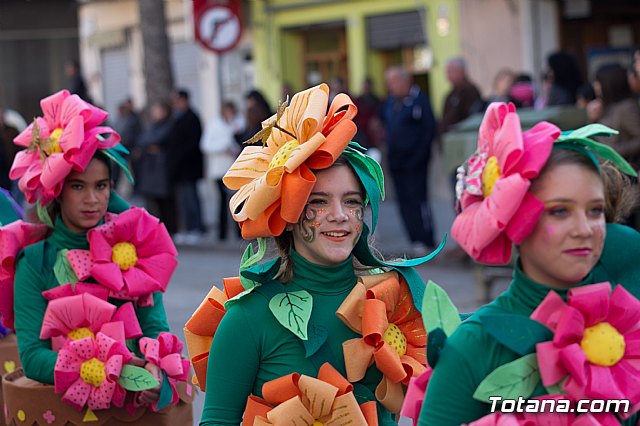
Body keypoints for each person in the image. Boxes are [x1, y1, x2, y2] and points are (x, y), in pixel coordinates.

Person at [188, 83, 440, 425]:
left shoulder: (393, 303)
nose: (339, 215)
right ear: (287, 215)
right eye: (318, 202)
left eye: (351, 201)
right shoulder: (247, 318)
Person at [417, 102, 640, 425]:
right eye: (559, 211)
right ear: (514, 219)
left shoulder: (628, 321)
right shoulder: (474, 347)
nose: (585, 229)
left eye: (594, 211)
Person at [4, 90, 191, 423]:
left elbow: (154, 329)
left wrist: (153, 368)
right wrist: (107, 367)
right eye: (78, 186)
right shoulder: (34, 261)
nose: (93, 199)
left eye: (102, 186)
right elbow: (32, 357)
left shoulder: (133, 254)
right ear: (57, 190)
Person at [382, 66, 437, 255]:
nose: (391, 86)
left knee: (417, 200)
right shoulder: (391, 102)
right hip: (396, 162)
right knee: (403, 201)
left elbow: (428, 131)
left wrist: (419, 157)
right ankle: (414, 239)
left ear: (405, 81)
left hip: (415, 162)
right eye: (389, 83)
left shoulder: (419, 101)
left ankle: (426, 239)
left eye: (394, 82)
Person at [200, 100, 244, 241]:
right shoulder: (215, 126)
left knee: (236, 200)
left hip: (233, 168)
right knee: (222, 201)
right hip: (219, 169)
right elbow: (205, 145)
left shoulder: (237, 124)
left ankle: (239, 231)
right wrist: (222, 148)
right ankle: (222, 233)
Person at [136, 100, 177, 235]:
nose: (154, 113)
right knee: (154, 202)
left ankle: (170, 229)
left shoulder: (168, 126)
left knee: (166, 202)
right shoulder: (152, 126)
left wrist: (152, 146)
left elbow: (158, 140)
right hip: (151, 169)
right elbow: (143, 140)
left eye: (157, 110)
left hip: (162, 169)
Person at [169, 89, 205, 244]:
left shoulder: (192, 118)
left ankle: (196, 227)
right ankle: (188, 227)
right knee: (183, 200)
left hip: (189, 167)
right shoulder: (177, 118)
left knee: (191, 198)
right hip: (180, 168)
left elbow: (191, 144)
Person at [438, 56, 483, 141]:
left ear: (462, 71)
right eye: (447, 72)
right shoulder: (450, 95)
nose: (448, 75)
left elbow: (471, 118)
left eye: (451, 71)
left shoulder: (470, 91)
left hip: (465, 139)